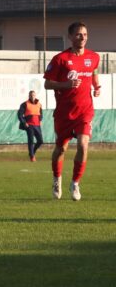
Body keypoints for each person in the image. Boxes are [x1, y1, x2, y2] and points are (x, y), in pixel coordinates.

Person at [43, 21, 100, 201]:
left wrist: (96, 85)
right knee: (61, 149)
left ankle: (75, 183)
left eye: (84, 34)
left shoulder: (94, 56)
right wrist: (65, 85)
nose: (82, 37)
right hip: (64, 112)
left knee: (83, 145)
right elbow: (47, 84)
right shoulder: (60, 59)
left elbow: (93, 71)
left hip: (85, 110)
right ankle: (56, 179)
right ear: (70, 37)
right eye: (78, 34)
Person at [17, 90, 44, 162]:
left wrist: (40, 120)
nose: (32, 96)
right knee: (31, 140)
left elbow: (41, 113)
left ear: (35, 95)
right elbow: (20, 115)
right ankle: (32, 157)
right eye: (31, 95)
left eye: (34, 95)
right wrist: (24, 122)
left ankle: (32, 152)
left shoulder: (39, 104)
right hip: (29, 125)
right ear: (29, 96)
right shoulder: (24, 104)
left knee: (40, 141)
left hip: (37, 125)